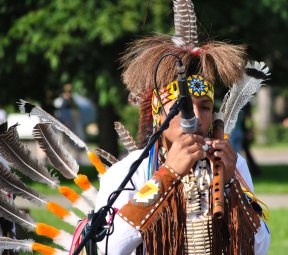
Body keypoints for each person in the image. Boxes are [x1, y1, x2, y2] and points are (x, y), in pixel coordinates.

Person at [95, 1, 270, 254]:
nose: (196, 117)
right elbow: (109, 248)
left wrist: (231, 186)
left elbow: (260, 248)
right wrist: (167, 175)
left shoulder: (234, 165)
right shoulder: (129, 172)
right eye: (184, 106)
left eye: (206, 107)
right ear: (158, 114)